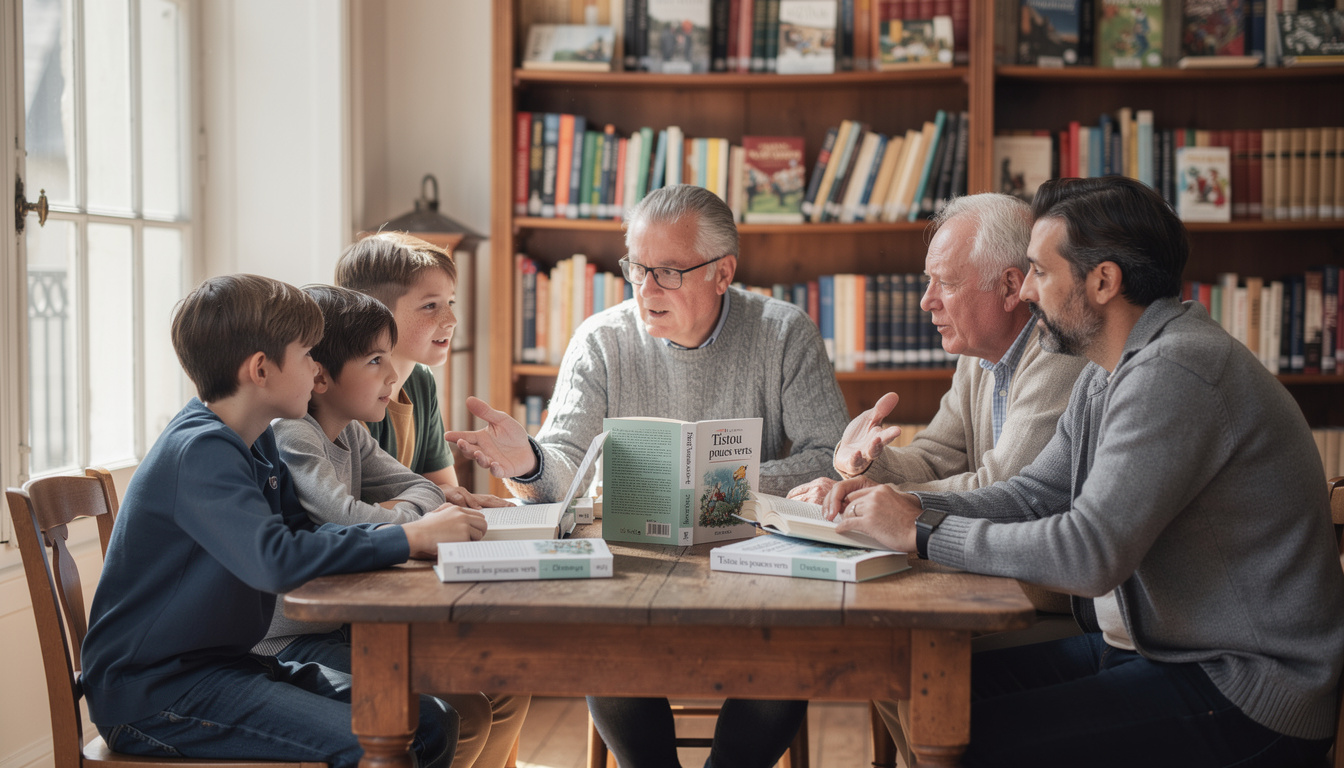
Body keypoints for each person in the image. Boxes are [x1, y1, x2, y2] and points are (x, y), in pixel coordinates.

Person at [823, 177, 1344, 767]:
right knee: (929, 692)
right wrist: (909, 508)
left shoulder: (1176, 371)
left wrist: (921, 532)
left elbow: (1090, 553)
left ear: (1102, 281)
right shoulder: (1110, 367)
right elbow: (1033, 492)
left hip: (1245, 688)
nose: (1027, 294)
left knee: (967, 735)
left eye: (1040, 274)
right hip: (1164, 653)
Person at [448, 184, 849, 767]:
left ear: (722, 272)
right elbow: (566, 464)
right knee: (601, 637)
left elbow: (830, 456)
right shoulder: (601, 340)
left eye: (666, 271)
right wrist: (530, 463)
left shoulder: (783, 332)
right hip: (634, 561)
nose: (646, 290)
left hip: (754, 561)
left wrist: (726, 486)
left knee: (789, 652)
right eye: (636, 268)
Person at [81, 274, 488, 768]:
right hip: (158, 695)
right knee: (381, 741)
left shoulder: (254, 442)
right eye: (308, 355)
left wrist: (403, 538)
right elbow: (275, 560)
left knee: (430, 719)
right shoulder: (200, 450)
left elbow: (301, 535)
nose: (319, 370)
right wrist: (405, 537)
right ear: (260, 369)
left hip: (221, 668)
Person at [267, 285, 529, 768]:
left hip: (339, 626)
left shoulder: (350, 432)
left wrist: (404, 509)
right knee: (463, 713)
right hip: (290, 641)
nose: (393, 374)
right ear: (320, 377)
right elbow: (345, 518)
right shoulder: (293, 433)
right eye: (374, 361)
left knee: (506, 687)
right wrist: (416, 521)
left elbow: (425, 488)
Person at [335, 231, 505, 509]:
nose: (451, 320)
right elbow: (350, 512)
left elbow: (445, 487)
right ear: (374, 313)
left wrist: (462, 501)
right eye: (430, 306)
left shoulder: (420, 381)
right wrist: (436, 499)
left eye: (450, 303)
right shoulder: (351, 393)